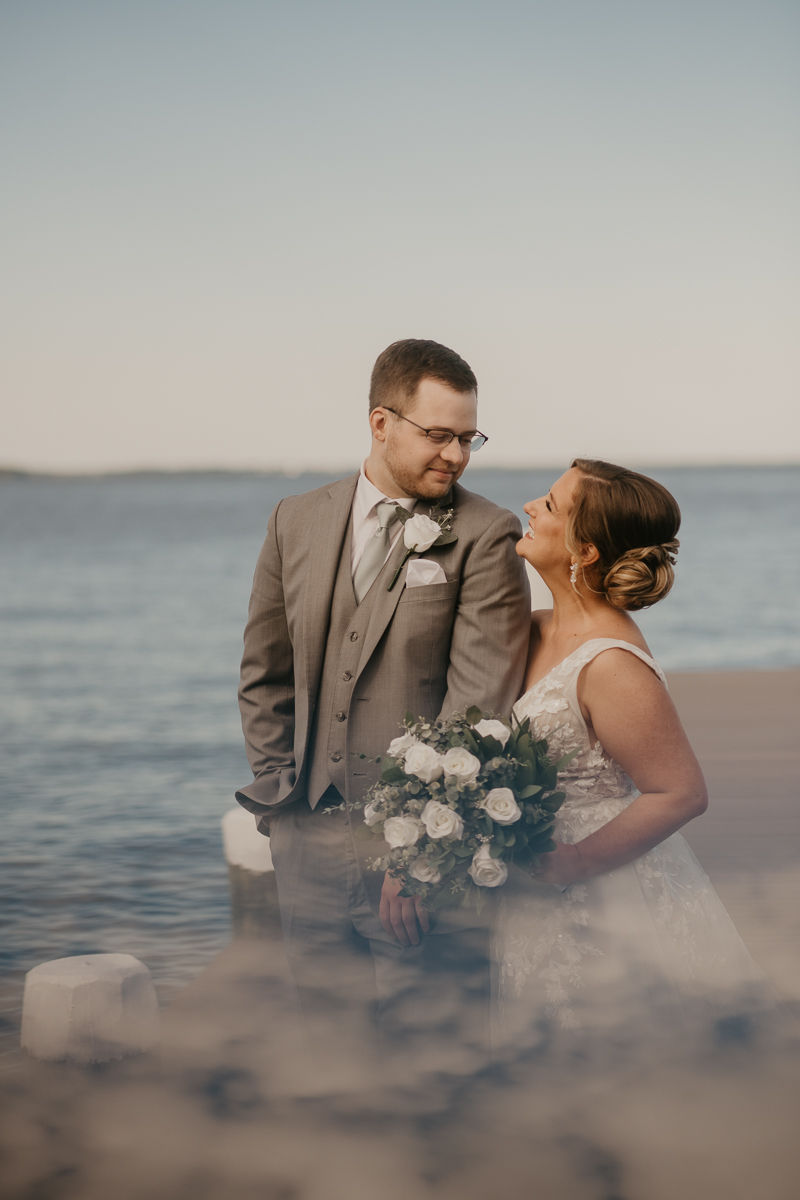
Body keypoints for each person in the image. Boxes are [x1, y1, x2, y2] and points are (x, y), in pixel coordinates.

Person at [236, 339, 530, 1073]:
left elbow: (477, 710)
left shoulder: (486, 535)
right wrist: (281, 804)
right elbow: (264, 675)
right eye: (439, 435)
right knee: (330, 1054)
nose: (457, 455)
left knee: (436, 1061)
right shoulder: (294, 520)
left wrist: (419, 854)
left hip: (418, 859)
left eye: (469, 438)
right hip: (306, 839)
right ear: (380, 422)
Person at [495, 458, 773, 1048]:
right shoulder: (536, 627)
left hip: (601, 891)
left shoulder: (612, 663)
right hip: (530, 887)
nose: (530, 508)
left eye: (549, 503)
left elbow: (681, 792)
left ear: (585, 549)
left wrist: (574, 863)